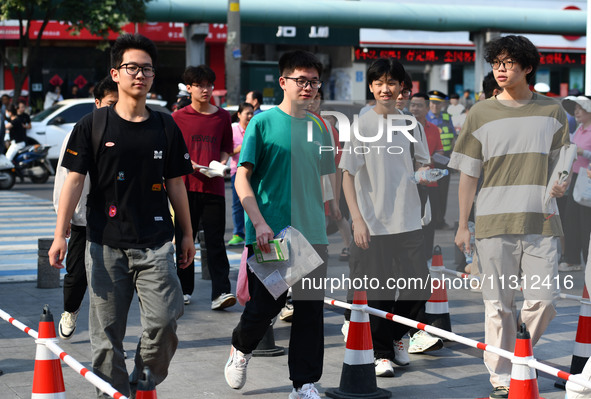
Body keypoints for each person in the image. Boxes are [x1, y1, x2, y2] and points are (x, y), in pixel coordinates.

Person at [48, 33, 195, 398]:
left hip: (157, 243)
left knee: (164, 322)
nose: (139, 75)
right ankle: (111, 394)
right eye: (132, 68)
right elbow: (73, 182)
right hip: (104, 244)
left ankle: (139, 383)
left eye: (147, 69)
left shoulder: (165, 126)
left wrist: (188, 233)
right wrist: (59, 233)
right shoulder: (92, 125)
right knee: (105, 341)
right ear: (116, 73)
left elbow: (177, 184)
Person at [450, 35, 569, 399]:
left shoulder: (553, 111)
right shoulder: (480, 113)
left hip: (543, 220)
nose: (501, 69)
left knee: (544, 300)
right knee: (496, 305)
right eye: (496, 63)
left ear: (527, 68)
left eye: (508, 63)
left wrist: (561, 182)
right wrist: (461, 225)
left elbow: (563, 162)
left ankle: (520, 343)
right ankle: (503, 376)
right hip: (493, 222)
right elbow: (468, 174)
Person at [224, 50, 334, 399]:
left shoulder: (321, 127)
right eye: (301, 80)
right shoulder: (262, 123)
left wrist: (343, 221)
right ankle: (241, 348)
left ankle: (303, 384)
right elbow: (242, 178)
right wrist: (257, 222)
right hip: (273, 234)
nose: (309, 87)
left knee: (310, 313)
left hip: (313, 234)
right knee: (264, 307)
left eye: (314, 81)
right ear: (283, 82)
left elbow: (326, 182)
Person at [340, 58, 432, 377]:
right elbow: (348, 175)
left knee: (419, 285)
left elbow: (422, 163)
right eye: (378, 82)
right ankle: (381, 353)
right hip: (374, 223)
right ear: (371, 87)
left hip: (408, 219)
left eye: (391, 83)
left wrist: (425, 173)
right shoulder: (362, 125)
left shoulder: (411, 124)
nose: (385, 88)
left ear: (401, 88)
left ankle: (396, 336)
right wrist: (358, 220)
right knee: (378, 290)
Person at [52, 75, 118, 340]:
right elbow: (65, 178)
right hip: (81, 217)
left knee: (113, 279)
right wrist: (63, 217)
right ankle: (70, 310)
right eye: (110, 103)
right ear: (97, 102)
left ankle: (110, 336)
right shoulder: (80, 130)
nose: (114, 109)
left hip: (114, 220)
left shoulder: (126, 130)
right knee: (76, 274)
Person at [173, 65, 236, 309]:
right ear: (188, 88)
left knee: (216, 241)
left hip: (214, 187)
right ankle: (183, 289)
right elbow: (174, 152)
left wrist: (220, 163)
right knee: (183, 240)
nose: (206, 90)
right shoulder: (178, 117)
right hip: (185, 188)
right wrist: (191, 164)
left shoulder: (222, 117)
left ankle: (221, 292)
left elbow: (226, 148)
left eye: (209, 85)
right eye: (200, 85)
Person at [559, 96, 591, 272]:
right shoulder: (579, 129)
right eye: (575, 108)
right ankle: (572, 259)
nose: (576, 112)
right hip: (575, 178)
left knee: (586, 223)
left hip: (588, 180)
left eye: (581, 108)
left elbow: (585, 153)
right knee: (570, 219)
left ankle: (587, 260)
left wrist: (583, 152)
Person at [427, 90, 455, 230]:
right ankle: (430, 219)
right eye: (432, 103)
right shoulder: (424, 117)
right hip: (428, 160)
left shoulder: (447, 117)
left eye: (438, 103)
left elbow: (453, 137)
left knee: (443, 191)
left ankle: (440, 220)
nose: (435, 106)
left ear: (442, 104)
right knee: (430, 192)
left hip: (444, 160)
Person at [228, 102, 254, 246]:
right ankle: (238, 233)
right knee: (238, 204)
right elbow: (227, 150)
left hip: (254, 172)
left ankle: (252, 231)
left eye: (252, 113)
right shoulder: (232, 129)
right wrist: (239, 148)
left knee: (254, 202)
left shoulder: (254, 127)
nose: (250, 116)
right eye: (247, 113)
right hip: (236, 172)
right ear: (239, 115)